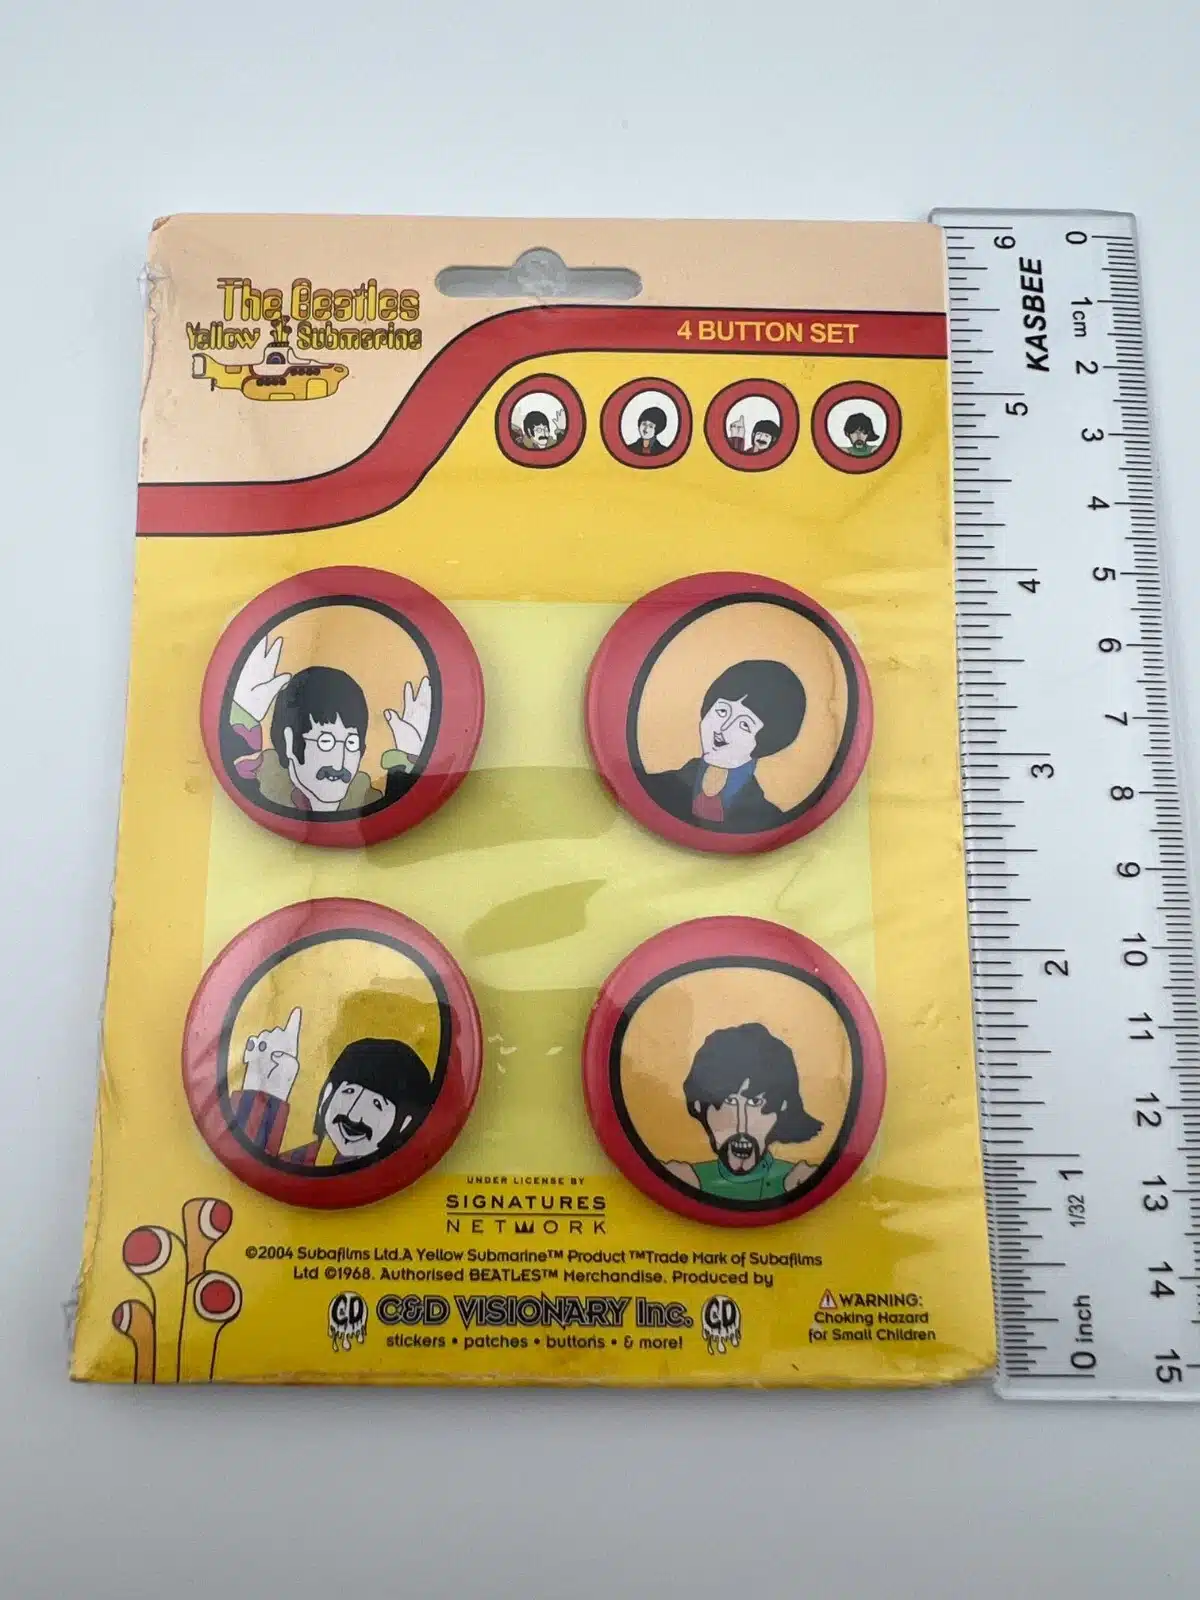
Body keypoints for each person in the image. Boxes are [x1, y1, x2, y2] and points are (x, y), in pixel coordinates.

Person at [222, 633, 432, 814]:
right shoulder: (262, 782)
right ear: (290, 742)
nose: (339, 763)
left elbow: (401, 810)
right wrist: (245, 713)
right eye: (325, 742)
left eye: (351, 744)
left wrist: (410, 757)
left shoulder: (366, 797)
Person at [230, 1007, 435, 1167]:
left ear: (405, 1124)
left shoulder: (407, 1176)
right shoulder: (300, 1161)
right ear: (327, 1094)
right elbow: (249, 1172)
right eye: (349, 1092)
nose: (353, 1115)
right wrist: (265, 1091)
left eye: (377, 1104)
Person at [641, 658, 807, 832]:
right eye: (722, 711)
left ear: (768, 742)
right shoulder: (656, 788)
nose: (723, 729)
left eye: (744, 725)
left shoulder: (770, 822)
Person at [665, 1023, 822, 1201]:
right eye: (729, 1101)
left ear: (783, 1106)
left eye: (755, 1102)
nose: (742, 1125)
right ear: (699, 1105)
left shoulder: (798, 1181)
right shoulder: (686, 1180)